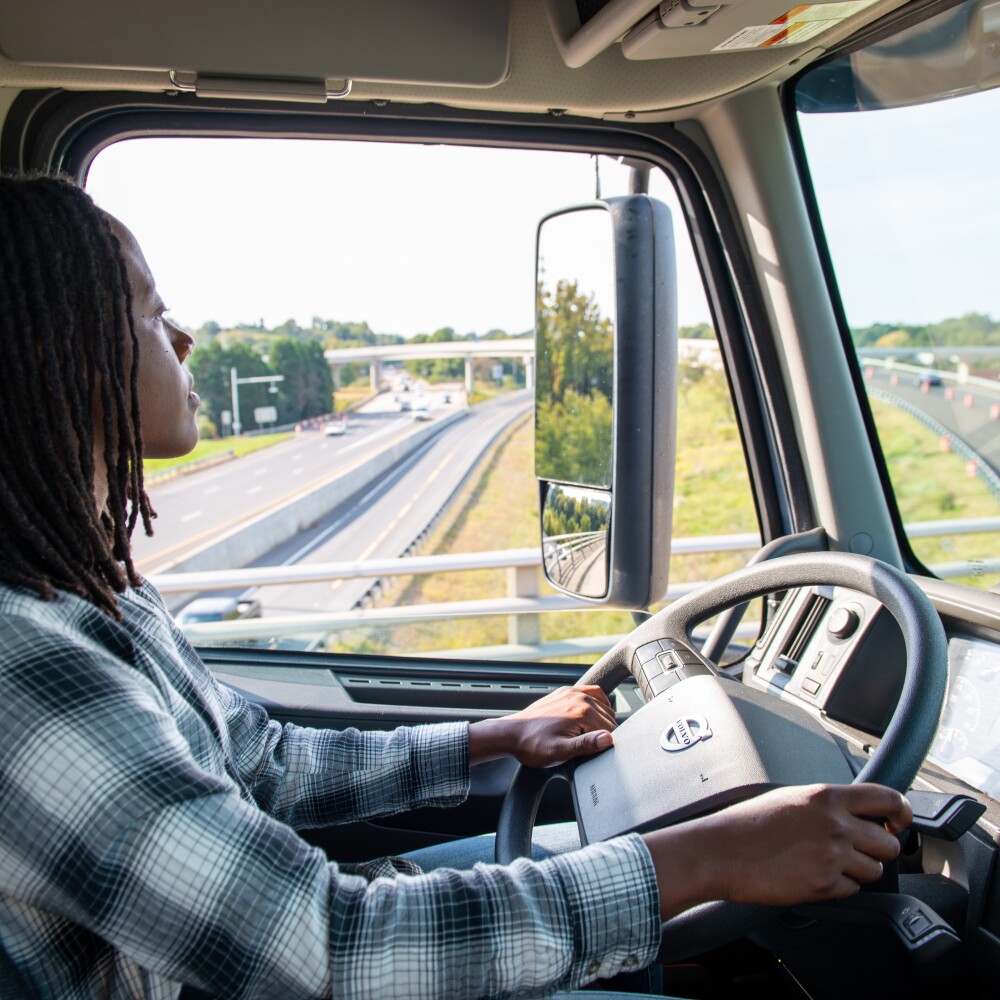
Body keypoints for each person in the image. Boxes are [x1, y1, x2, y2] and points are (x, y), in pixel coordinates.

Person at [0, 174, 912, 999]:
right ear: (62, 352)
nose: (185, 335)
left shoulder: (83, 586)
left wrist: (491, 739)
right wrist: (711, 856)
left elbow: (262, 765)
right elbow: (325, 946)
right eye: (155, 313)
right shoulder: (27, 672)